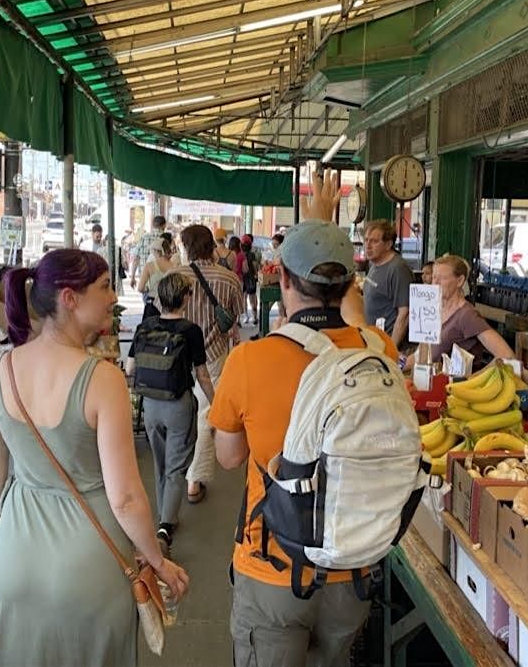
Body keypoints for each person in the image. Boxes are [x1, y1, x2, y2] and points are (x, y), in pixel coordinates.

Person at [209, 171, 399, 667]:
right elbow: (354, 320)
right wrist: (324, 227)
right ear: (350, 283)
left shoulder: (250, 361)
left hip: (273, 565)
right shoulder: (378, 352)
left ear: (282, 279)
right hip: (352, 568)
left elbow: (229, 458)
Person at [0, 249, 189, 666]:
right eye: (105, 286)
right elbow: (125, 497)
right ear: (69, 298)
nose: (114, 297)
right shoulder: (102, 379)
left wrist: (29, 513)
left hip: (12, 561)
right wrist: (158, 560)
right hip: (88, 570)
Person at [125, 272, 216, 556]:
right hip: (178, 404)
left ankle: (167, 514)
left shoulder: (145, 326)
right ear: (185, 297)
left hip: (150, 403)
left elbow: (130, 369)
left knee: (160, 463)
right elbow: (201, 374)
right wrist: (216, 402)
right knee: (177, 466)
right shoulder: (190, 330)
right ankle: (165, 527)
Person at [161, 224, 244, 504]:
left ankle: (174, 472)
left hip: (177, 354)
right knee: (205, 413)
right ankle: (194, 480)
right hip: (214, 355)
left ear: (185, 247)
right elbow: (234, 320)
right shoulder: (229, 279)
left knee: (178, 410)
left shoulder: (174, 276)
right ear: (212, 246)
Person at [428, 254, 515, 365]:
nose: (435, 282)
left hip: (456, 382)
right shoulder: (433, 310)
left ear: (459, 281)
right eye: (434, 277)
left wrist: (477, 377)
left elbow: (507, 356)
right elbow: (421, 353)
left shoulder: (467, 315)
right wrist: (400, 364)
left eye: (442, 278)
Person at [362, 219, 414, 349]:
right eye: (366, 240)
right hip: (373, 341)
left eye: (374, 241)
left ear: (388, 244)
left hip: (387, 345)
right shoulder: (374, 263)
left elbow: (405, 313)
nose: (368, 245)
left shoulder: (398, 269)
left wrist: (391, 349)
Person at [138, 236, 175, 320]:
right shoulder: (174, 266)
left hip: (153, 303)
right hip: (168, 304)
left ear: (157, 251)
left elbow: (140, 288)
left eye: (153, 251)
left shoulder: (149, 266)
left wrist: (147, 289)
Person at [130, 215, 167, 289]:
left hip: (146, 280)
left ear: (153, 225)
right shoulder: (166, 238)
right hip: (163, 280)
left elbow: (136, 259)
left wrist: (133, 277)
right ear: (164, 225)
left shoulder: (144, 237)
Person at [239, 234, 260, 325]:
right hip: (251, 278)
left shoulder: (239, 254)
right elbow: (255, 266)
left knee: (244, 298)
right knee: (252, 297)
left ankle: (246, 317)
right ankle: (255, 317)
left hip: (242, 278)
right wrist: (256, 275)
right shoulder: (252, 254)